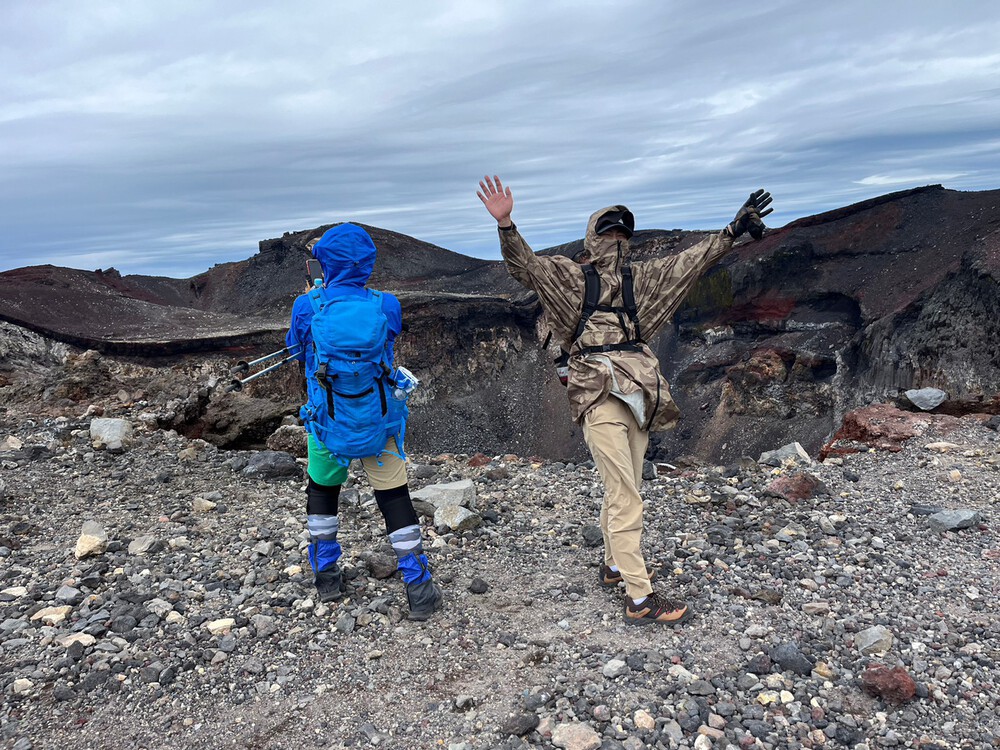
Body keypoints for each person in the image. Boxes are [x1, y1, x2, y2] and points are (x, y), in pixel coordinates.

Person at [477, 175, 772, 626]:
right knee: (625, 494)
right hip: (597, 395)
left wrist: (731, 232)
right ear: (592, 238)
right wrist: (506, 225)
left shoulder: (641, 279)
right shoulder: (570, 278)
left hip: (638, 392)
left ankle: (615, 565)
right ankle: (639, 597)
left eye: (622, 233)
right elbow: (527, 267)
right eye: (609, 232)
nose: (616, 239)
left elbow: (689, 262)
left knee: (627, 484)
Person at [285, 223, 442, 621]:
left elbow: (296, 352)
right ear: (368, 263)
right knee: (394, 498)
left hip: (327, 422)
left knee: (323, 493)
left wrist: (314, 298)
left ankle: (327, 578)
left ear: (325, 262)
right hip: (379, 422)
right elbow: (386, 343)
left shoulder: (307, 306)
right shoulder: (386, 305)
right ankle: (419, 589)